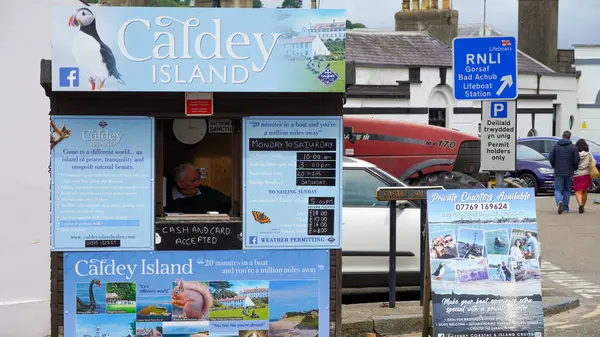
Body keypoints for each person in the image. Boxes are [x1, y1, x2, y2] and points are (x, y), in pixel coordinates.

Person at [165, 163, 231, 214]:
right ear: (181, 184)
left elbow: (231, 205)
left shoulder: (209, 194)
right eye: (193, 181)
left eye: (198, 179)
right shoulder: (165, 199)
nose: (198, 184)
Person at [549, 131, 580, 214]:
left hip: (558, 171)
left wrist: (554, 165)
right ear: (570, 137)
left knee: (558, 189)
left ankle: (559, 201)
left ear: (562, 136)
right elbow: (576, 159)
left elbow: (551, 157)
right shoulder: (573, 147)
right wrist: (574, 167)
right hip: (569, 172)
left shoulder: (555, 146)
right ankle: (565, 208)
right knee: (567, 190)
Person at [574, 139, 593, 213]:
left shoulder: (576, 154)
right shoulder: (589, 154)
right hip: (586, 174)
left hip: (577, 174)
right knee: (585, 191)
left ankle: (580, 204)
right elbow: (592, 163)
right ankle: (583, 206)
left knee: (578, 191)